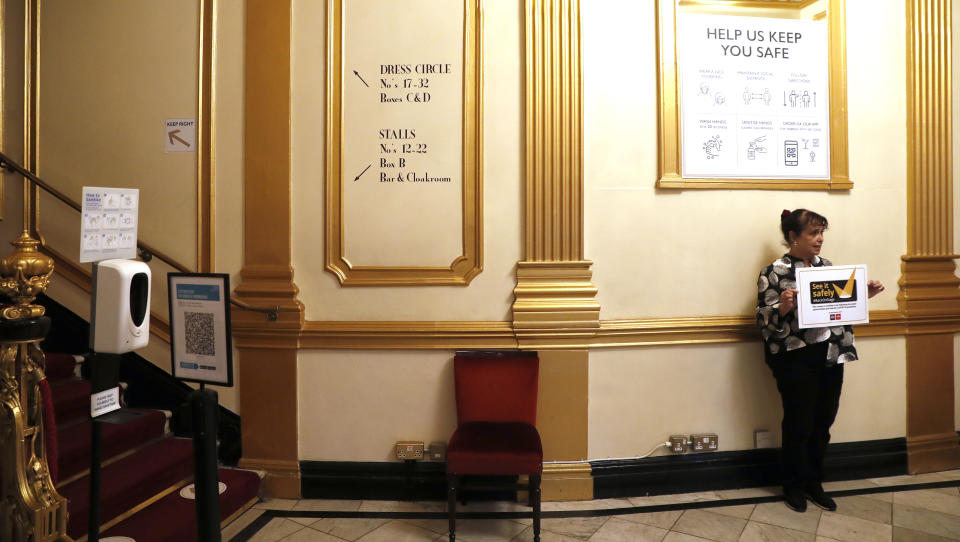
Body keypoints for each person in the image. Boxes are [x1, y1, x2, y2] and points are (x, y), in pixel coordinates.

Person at [755, 209, 885, 513]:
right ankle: (794, 485)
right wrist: (783, 308)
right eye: (813, 233)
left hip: (830, 354)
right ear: (793, 236)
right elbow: (763, 320)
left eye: (822, 233)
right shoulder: (773, 272)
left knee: (823, 422)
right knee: (799, 423)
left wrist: (863, 296)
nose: (820, 239)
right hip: (795, 358)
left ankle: (815, 482)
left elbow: (837, 310)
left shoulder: (826, 268)